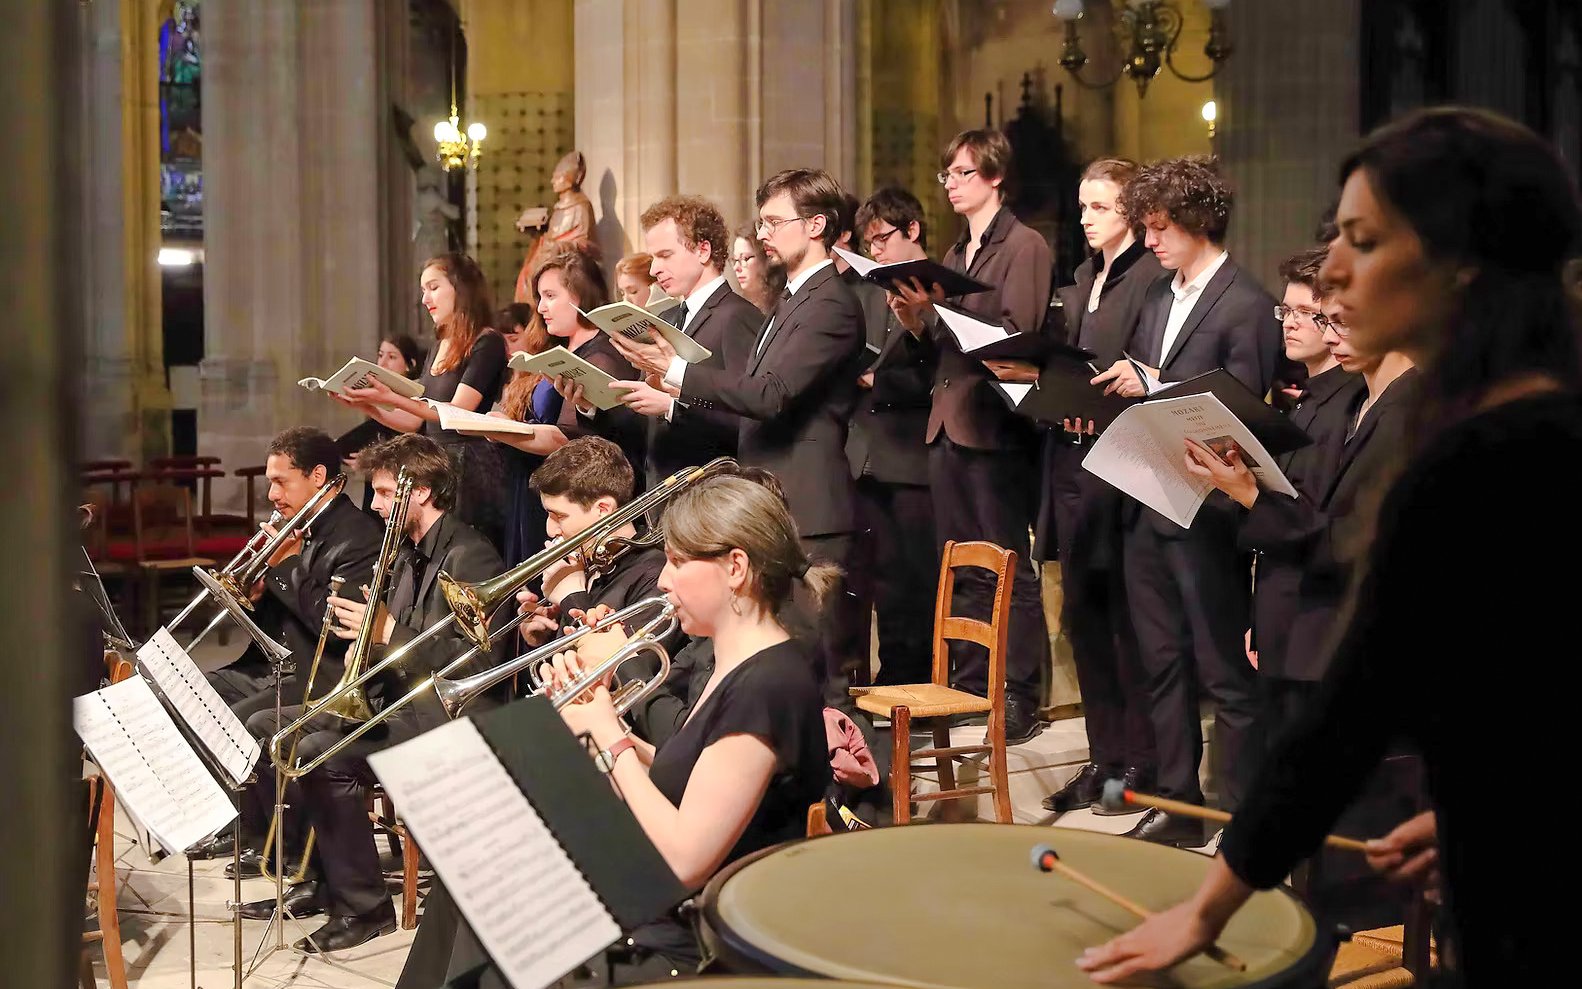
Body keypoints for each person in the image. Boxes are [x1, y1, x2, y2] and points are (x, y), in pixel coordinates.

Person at [1077, 107, 1582, 987]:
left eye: (1365, 239)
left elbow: (1350, 713)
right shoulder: (1510, 419)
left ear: (1460, 261)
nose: (1334, 270)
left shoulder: (1484, 451)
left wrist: (1209, 907)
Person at [397, 475, 832, 987]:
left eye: (676, 560)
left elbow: (685, 859)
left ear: (735, 568)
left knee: (502, 922)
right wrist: (592, 711)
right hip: (664, 897)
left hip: (696, 933)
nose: (664, 580)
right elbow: (688, 772)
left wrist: (609, 735)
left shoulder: (768, 684)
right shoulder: (732, 664)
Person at [237, 433, 506, 952]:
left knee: (320, 756)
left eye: (384, 494)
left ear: (420, 492)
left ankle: (365, 907)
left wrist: (384, 632)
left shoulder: (471, 556)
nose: (375, 506)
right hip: (395, 697)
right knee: (274, 727)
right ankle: (321, 878)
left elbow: (474, 661)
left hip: (445, 716)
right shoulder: (403, 553)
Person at [609, 169, 865, 685]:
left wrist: (675, 371)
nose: (763, 233)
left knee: (822, 674)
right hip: (778, 501)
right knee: (784, 664)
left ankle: (849, 765)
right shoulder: (792, 298)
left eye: (774, 222)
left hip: (810, 503)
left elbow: (769, 394)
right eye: (762, 221)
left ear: (816, 225)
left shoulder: (831, 302)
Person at [1093, 156, 1281, 842]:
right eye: (1145, 227)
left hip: (1209, 506)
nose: (1150, 240)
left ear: (1198, 221)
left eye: (1160, 226)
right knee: (1161, 661)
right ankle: (1180, 804)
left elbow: (1239, 409)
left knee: (1221, 669)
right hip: (1149, 499)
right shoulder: (1154, 295)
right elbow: (1147, 377)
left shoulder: (1247, 302)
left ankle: (1235, 808)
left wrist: (1155, 385)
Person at [890, 129, 1054, 743]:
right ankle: (969, 685)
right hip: (948, 419)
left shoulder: (1025, 245)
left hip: (992, 423)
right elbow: (942, 346)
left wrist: (942, 315)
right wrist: (915, 321)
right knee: (959, 568)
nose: (952, 184)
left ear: (994, 178)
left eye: (962, 173)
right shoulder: (956, 254)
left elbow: (1018, 334)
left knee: (1006, 563)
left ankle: (1019, 694)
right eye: (948, 175)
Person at [1013, 158, 1164, 811]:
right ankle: (1103, 756)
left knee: (1127, 621)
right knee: (1081, 616)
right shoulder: (1082, 278)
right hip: (1070, 458)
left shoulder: (1151, 279)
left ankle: (1141, 762)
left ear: (1130, 212)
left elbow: (1153, 369)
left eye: (1098, 207)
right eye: (1082, 206)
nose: (1085, 218)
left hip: (1125, 465)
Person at [1233, 248, 1362, 715]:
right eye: (1286, 310)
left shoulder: (1350, 404)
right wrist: (1261, 620)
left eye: (1306, 313)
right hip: (1284, 612)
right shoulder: (1305, 399)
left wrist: (1245, 491)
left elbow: (1313, 525)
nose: (1289, 322)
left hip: (1315, 625)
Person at [330, 253, 510, 550]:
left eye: (433, 287)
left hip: (470, 467)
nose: (426, 299)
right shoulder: (439, 345)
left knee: (461, 554)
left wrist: (390, 396)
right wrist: (367, 405)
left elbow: (458, 412)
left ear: (460, 288)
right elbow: (415, 422)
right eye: (423, 290)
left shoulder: (486, 341)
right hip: (436, 462)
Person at [204, 427, 382, 719]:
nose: (273, 494)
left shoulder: (361, 538)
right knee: (192, 692)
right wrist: (256, 599)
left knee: (226, 721)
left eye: (281, 482)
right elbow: (278, 623)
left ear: (317, 476)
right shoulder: (300, 525)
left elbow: (335, 630)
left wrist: (287, 565)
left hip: (314, 678)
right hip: (268, 668)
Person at [847, 186, 939, 686]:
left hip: (915, 454)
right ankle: (896, 673)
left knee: (916, 576)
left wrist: (874, 378)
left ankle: (919, 676)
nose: (876, 251)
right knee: (885, 577)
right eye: (869, 244)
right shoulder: (870, 291)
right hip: (872, 452)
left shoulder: (936, 285)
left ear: (912, 230)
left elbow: (942, 373)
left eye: (882, 239)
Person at [608, 195, 760, 486]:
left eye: (664, 256)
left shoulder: (737, 317)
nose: (653, 270)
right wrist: (592, 402)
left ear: (703, 250)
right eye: (653, 258)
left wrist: (671, 407)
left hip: (710, 495)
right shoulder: (666, 317)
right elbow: (646, 422)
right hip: (660, 489)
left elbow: (748, 419)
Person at [477, 246, 647, 481]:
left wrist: (508, 431)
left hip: (579, 484)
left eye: (550, 296)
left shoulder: (604, 354)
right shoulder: (557, 346)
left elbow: (570, 436)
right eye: (539, 297)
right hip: (535, 476)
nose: (540, 308)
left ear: (580, 295)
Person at [511, 436, 684, 664]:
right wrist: (545, 635)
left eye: (559, 516)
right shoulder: (585, 561)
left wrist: (572, 600)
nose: (550, 529)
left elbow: (627, 674)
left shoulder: (656, 576)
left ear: (603, 509)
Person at [490, 303, 559, 565]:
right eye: (503, 341)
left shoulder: (545, 373)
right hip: (517, 472)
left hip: (540, 468)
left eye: (514, 338)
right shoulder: (511, 377)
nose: (509, 348)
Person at [336, 335, 425, 510]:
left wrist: (372, 461)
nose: (382, 363)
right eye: (380, 355)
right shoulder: (376, 396)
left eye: (391, 357)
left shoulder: (418, 399)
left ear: (411, 364)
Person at [514, 149, 597, 304]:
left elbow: (587, 243)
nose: (553, 181)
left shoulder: (581, 207)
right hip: (545, 253)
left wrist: (562, 245)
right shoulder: (558, 207)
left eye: (557, 177)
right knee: (526, 275)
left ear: (569, 178)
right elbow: (552, 234)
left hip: (561, 258)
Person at [729, 222, 785, 315]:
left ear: (766, 257)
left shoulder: (782, 304)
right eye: (735, 260)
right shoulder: (736, 307)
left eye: (745, 258)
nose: (736, 268)